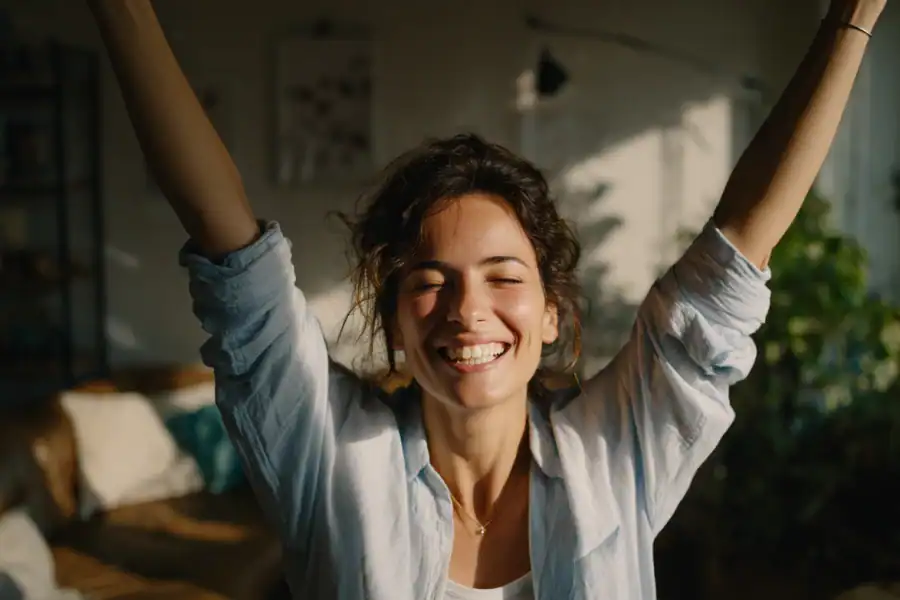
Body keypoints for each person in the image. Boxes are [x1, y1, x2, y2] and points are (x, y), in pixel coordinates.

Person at [86, 0, 887, 597]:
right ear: (396, 328)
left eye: (504, 277)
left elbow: (739, 243)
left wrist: (854, 15)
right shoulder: (330, 463)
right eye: (430, 283)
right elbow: (229, 248)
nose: (468, 310)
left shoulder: (620, 452)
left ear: (550, 314)